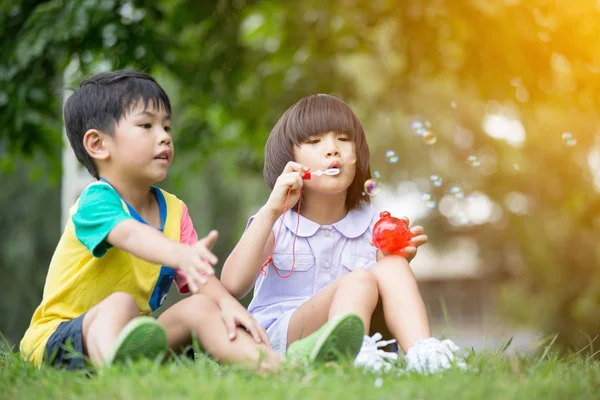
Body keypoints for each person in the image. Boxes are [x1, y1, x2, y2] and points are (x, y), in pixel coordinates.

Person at [20, 71, 361, 372]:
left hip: (137, 337)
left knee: (200, 306)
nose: (165, 136)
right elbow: (129, 235)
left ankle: (276, 368)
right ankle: (119, 380)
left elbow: (200, 280)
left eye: (167, 126)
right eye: (146, 126)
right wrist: (179, 254)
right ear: (98, 144)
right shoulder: (95, 202)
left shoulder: (174, 210)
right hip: (62, 340)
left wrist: (229, 305)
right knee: (120, 303)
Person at [221, 94, 464, 373]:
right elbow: (232, 285)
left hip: (365, 330)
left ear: (358, 154)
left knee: (391, 266)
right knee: (359, 280)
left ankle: (424, 355)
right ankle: (356, 355)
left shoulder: (373, 223)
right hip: (285, 339)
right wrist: (271, 210)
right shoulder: (277, 220)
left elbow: (389, 293)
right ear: (289, 159)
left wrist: (392, 259)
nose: (332, 149)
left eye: (344, 139)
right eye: (314, 141)